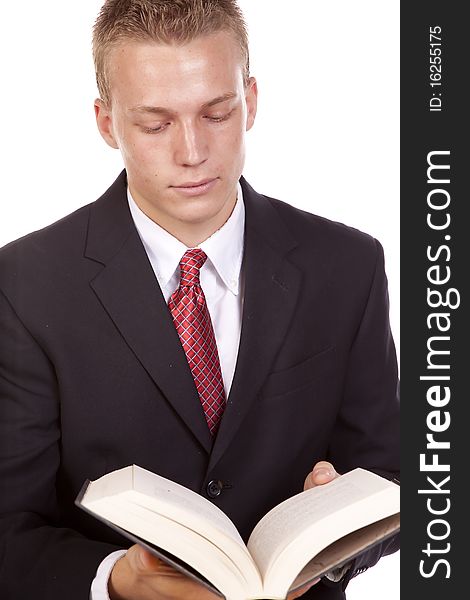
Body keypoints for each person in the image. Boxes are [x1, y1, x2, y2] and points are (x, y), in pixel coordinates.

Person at [0, 1, 399, 599]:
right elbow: (8, 528)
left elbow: (396, 476)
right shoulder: (24, 284)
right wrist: (116, 579)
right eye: (155, 125)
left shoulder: (347, 264)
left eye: (216, 113)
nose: (192, 152)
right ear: (106, 124)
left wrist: (340, 540)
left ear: (252, 100)